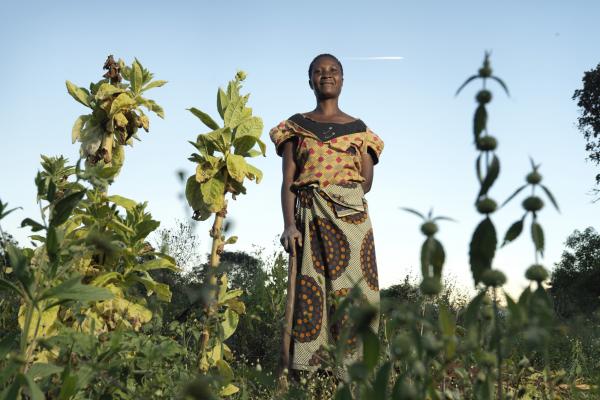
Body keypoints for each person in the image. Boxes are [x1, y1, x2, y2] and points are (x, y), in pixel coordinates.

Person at [269, 54, 384, 377]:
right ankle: (309, 373)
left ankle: (353, 374)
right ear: (310, 81)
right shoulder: (296, 127)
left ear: (343, 80)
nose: (326, 75)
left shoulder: (361, 132)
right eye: (318, 72)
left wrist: (339, 194)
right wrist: (289, 225)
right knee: (311, 292)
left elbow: (365, 183)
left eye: (333, 71)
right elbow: (289, 182)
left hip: (351, 220)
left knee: (357, 294)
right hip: (308, 217)